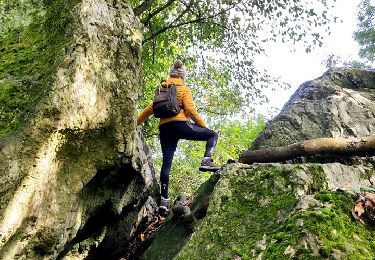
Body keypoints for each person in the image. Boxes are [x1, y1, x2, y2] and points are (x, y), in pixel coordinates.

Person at [137, 60, 219, 212]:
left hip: (165, 128)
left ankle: (163, 202)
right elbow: (190, 110)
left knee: (166, 163)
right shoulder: (183, 88)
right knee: (212, 135)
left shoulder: (162, 88)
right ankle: (206, 160)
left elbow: (150, 109)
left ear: (170, 74)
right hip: (180, 125)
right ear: (182, 76)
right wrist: (203, 125)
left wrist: (136, 123)